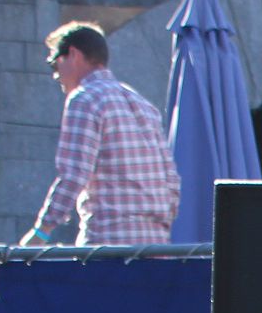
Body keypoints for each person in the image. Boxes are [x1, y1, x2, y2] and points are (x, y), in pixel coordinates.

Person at [28, 23, 178, 246]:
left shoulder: (85, 99)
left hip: (107, 243)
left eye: (54, 63)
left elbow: (74, 173)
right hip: (155, 245)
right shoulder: (144, 105)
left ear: (73, 54)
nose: (55, 75)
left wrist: (42, 231)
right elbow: (171, 181)